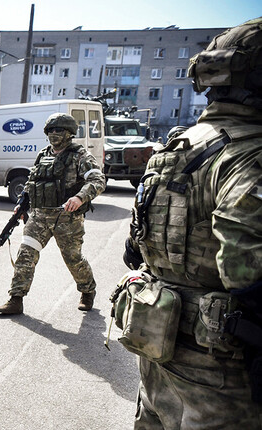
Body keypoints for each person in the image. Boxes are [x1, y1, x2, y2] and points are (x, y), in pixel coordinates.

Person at [119, 17, 262, 428]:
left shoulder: (175, 147)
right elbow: (245, 272)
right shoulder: (249, 155)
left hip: (160, 340)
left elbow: (135, 249)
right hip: (222, 370)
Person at [0, 113, 106, 315]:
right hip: (39, 216)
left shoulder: (80, 156)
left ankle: (87, 290)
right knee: (26, 254)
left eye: (59, 130)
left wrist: (80, 197)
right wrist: (22, 204)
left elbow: (98, 181)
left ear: (69, 133)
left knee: (73, 258)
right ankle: (16, 298)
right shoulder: (43, 154)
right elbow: (32, 182)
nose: (54, 134)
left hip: (67, 217)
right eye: (51, 131)